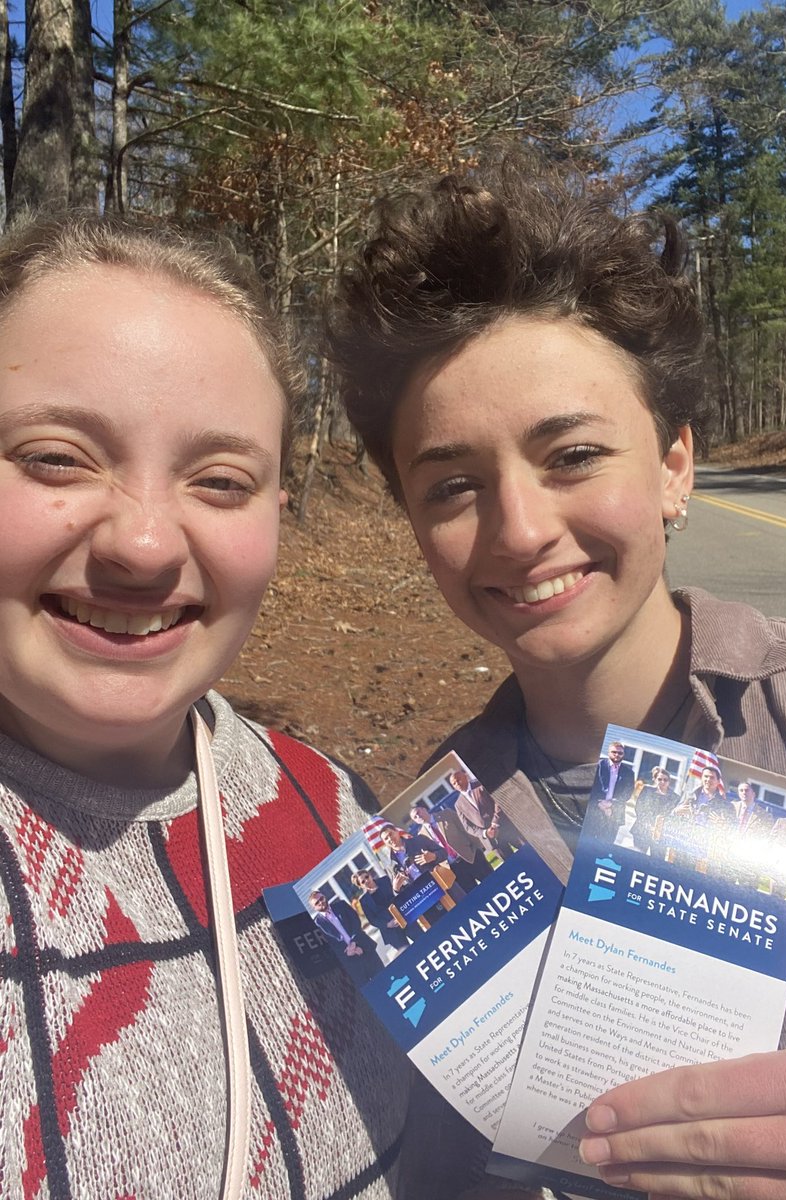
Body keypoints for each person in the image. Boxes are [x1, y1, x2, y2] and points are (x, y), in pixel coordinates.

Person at [327, 154, 786, 1197]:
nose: (521, 529)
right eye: (454, 484)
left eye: (574, 455)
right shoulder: (422, 851)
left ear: (675, 464)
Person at [0, 213, 476, 1200]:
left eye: (220, 481)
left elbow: (487, 1142)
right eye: (54, 458)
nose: (142, 545)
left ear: (273, 514)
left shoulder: (339, 810)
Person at [409, 799, 491, 890]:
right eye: (415, 817)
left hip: (471, 856)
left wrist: (478, 848)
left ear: (424, 809)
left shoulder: (446, 814)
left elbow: (465, 829)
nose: (418, 816)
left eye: (418, 812)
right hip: (454, 869)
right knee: (478, 896)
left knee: (494, 882)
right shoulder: (421, 836)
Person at [309, 889, 383, 983]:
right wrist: (348, 952)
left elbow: (356, 922)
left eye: (321, 898)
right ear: (314, 908)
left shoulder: (341, 905)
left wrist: (353, 944)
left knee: (383, 977)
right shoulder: (317, 924)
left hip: (365, 949)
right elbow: (329, 946)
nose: (321, 902)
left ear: (325, 897)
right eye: (317, 903)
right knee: (368, 988)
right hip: (350, 962)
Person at [450, 767, 523, 859]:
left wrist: (494, 823)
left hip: (506, 827)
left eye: (458, 780)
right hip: (491, 841)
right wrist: (485, 833)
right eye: (454, 784)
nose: (457, 784)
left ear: (465, 776)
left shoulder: (480, 784)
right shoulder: (458, 805)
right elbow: (467, 826)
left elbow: (498, 801)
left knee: (530, 852)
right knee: (513, 867)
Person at [352, 866, 417, 951]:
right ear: (360, 886)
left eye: (366, 877)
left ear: (370, 875)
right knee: (408, 954)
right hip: (391, 931)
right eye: (363, 882)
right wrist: (387, 924)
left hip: (404, 918)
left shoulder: (385, 880)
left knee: (423, 940)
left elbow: (399, 894)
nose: (366, 881)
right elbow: (372, 920)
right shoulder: (364, 901)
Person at [630, 765, 679, 854]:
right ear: (655, 779)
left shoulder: (675, 798)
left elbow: (673, 816)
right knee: (637, 858)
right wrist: (649, 825)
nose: (662, 782)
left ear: (669, 781)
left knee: (656, 862)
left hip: (661, 835)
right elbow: (639, 807)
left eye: (665, 779)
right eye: (659, 779)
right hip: (642, 830)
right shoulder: (646, 790)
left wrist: (657, 827)